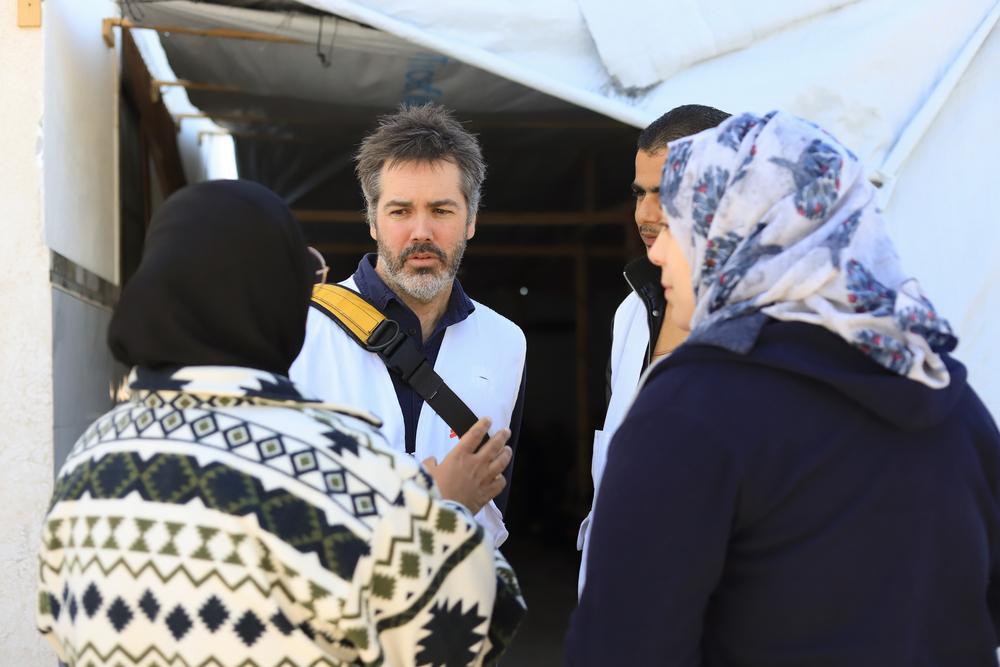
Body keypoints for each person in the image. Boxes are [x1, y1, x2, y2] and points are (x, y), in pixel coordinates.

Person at [566, 111, 1000, 665]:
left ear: (746, 231)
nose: (655, 251)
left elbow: (622, 649)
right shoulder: (950, 400)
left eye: (685, 223)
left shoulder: (690, 413)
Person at [36, 180, 525, 667]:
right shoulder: (346, 464)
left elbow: (59, 628)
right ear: (280, 298)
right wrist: (443, 512)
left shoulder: (87, 462)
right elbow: (474, 629)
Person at [290, 105, 526, 547]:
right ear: (373, 221)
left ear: (471, 220)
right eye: (400, 212)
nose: (421, 232)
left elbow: (496, 510)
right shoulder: (302, 330)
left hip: (459, 601)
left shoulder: (506, 342)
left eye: (441, 210)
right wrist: (439, 506)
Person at [577, 105, 731, 595]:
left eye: (664, 194)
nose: (645, 213)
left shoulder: (762, 325)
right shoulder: (631, 313)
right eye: (639, 193)